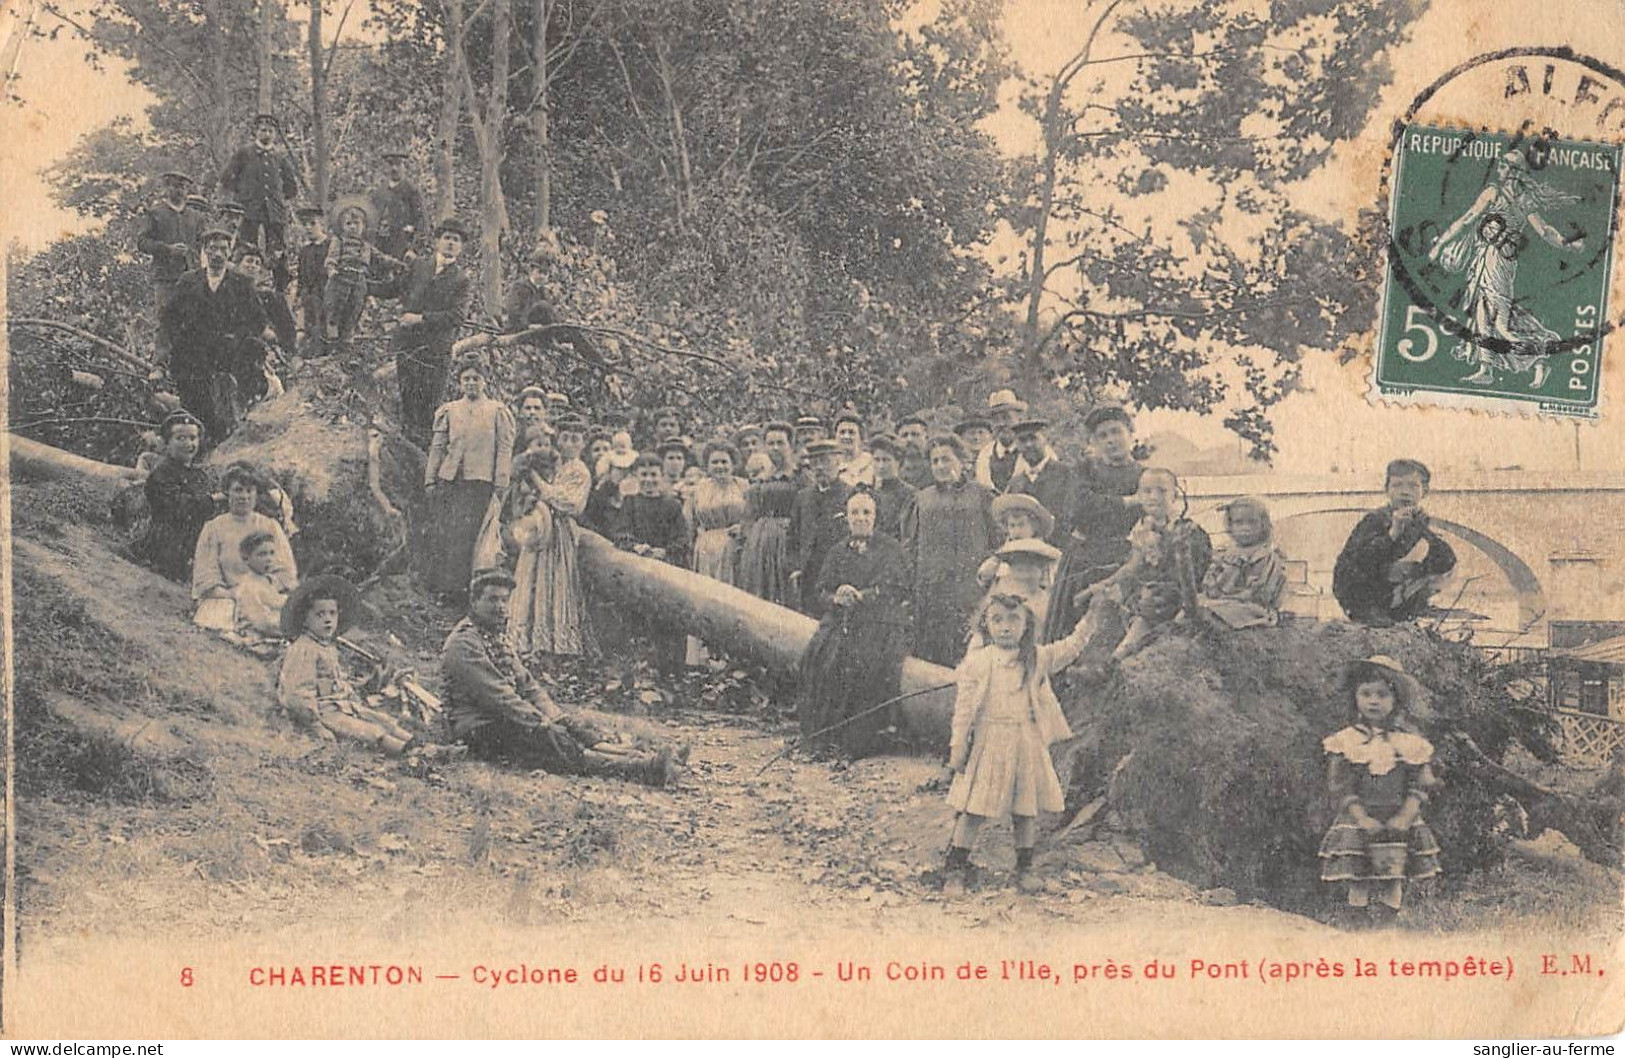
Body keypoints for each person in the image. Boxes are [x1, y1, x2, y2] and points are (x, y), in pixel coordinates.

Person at [442, 569, 677, 785]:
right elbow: (498, 696)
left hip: (505, 718)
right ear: (474, 602)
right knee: (551, 738)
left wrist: (557, 717)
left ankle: (650, 759)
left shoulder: (495, 637)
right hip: (478, 728)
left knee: (570, 728)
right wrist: (541, 721)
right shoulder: (464, 643)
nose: (501, 607)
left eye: (504, 600)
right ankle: (643, 768)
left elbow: (527, 686)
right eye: (492, 599)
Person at [940, 595, 1091, 894]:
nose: (1005, 628)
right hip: (989, 741)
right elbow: (964, 708)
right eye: (997, 620)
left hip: (1025, 742)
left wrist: (1091, 620)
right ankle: (955, 869)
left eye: (1014, 620)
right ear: (986, 624)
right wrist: (958, 746)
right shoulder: (978, 661)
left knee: (1025, 809)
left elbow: (1071, 648)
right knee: (974, 808)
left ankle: (1024, 868)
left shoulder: (1036, 658)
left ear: (1027, 625)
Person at [1427, 149, 1587, 388]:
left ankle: (1541, 352)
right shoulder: (1504, 195)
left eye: (1503, 166)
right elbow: (1469, 218)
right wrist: (1441, 244)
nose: (1499, 169)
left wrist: (1568, 244)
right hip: (1486, 259)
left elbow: (1543, 231)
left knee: (1501, 323)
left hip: (1499, 262)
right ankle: (1486, 368)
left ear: (1513, 172)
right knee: (1484, 314)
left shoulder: (1511, 198)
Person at [1318, 654, 1441, 922]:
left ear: (1396, 700)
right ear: (1356, 698)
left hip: (1397, 818)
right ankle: (1357, 924)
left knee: (1393, 873)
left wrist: (1405, 816)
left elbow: (1420, 783)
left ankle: (1386, 926)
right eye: (1366, 693)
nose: (1374, 701)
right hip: (1360, 817)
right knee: (1358, 877)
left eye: (1382, 694)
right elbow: (1340, 784)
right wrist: (1361, 818)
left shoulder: (1409, 742)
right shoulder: (1346, 741)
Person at [797, 490, 912, 758]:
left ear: (875, 517)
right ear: (846, 518)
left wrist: (864, 596)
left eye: (866, 513)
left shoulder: (890, 548)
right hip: (842, 618)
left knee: (865, 661)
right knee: (819, 655)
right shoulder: (837, 551)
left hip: (880, 619)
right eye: (854, 513)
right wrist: (837, 597)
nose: (860, 518)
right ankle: (824, 734)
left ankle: (859, 740)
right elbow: (821, 589)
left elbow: (897, 587)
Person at [1074, 467, 1211, 662]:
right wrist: (1096, 587)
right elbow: (1132, 567)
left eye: (1161, 491)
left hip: (1177, 594)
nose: (1153, 497)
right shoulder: (1142, 528)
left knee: (1147, 608)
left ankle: (1117, 659)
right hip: (1147, 590)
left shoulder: (1188, 530)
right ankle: (1086, 656)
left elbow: (1194, 577)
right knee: (1105, 603)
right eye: (1146, 491)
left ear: (1175, 495)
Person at [278, 573, 414, 755]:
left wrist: (351, 694)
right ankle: (411, 754)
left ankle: (419, 745)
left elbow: (336, 680)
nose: (328, 619)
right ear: (305, 620)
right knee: (371, 732)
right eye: (320, 614)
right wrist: (315, 725)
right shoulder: (304, 649)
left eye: (332, 613)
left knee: (382, 721)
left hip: (342, 705)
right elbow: (297, 693)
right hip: (323, 712)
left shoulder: (327, 646)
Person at [158, 226, 268, 448]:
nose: (217, 254)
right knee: (195, 402)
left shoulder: (241, 283)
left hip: (229, 354)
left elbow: (257, 321)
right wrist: (167, 353)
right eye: (213, 249)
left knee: (228, 404)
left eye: (223, 249)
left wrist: (237, 337)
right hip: (195, 355)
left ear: (230, 253)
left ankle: (228, 440)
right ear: (204, 251)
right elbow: (169, 318)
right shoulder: (188, 281)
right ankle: (198, 446)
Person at [1042, 405, 1144, 644]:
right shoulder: (1084, 470)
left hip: (1123, 558)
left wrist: (1102, 505)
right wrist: (1127, 501)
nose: (1111, 440)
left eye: (1116, 432)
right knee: (1070, 631)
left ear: (1130, 433)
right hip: (1083, 559)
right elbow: (1078, 509)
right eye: (1102, 436)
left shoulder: (1144, 475)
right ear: (1094, 442)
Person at [375, 217, 472, 449]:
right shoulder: (419, 266)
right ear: (437, 241)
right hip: (409, 346)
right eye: (446, 238)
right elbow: (395, 289)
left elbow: (457, 316)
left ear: (461, 247)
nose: (450, 243)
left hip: (436, 351)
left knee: (429, 408)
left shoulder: (461, 279)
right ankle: (407, 454)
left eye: (455, 240)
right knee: (408, 401)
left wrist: (420, 318)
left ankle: (425, 462)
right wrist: (362, 281)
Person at [902, 435, 998, 667]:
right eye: (935, 461)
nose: (941, 466)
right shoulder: (921, 500)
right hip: (932, 597)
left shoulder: (982, 495)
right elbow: (910, 549)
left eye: (946, 459)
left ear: (963, 461)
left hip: (972, 594)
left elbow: (1000, 542)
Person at [1333, 459, 1458, 627]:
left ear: (1425, 491)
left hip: (1389, 593)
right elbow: (1360, 561)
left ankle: (1406, 611)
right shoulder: (1375, 519)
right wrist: (1393, 533)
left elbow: (1446, 562)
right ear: (1387, 490)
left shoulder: (1418, 521)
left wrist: (1424, 534)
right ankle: (1372, 614)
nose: (1404, 492)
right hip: (1359, 594)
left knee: (1438, 563)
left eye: (1413, 486)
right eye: (1397, 486)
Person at [504, 439, 591, 659]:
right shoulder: (552, 464)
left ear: (582, 443)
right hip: (539, 526)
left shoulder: (579, 470)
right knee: (531, 575)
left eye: (576, 436)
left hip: (560, 532)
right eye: (566, 436)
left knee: (555, 579)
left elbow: (570, 503)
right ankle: (527, 639)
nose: (571, 442)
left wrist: (536, 480)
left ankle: (557, 644)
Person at [618, 453, 691, 672]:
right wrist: (636, 546)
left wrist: (666, 551)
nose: (648, 480)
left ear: (661, 476)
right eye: (644, 475)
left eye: (653, 475)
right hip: (639, 567)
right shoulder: (630, 503)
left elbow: (682, 538)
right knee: (640, 617)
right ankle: (642, 667)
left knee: (668, 618)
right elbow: (620, 532)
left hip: (666, 566)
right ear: (636, 476)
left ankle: (671, 668)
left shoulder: (672, 505)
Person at [193, 463, 298, 610]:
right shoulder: (213, 528)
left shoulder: (270, 526)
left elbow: (286, 572)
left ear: (256, 494)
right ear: (227, 493)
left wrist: (261, 590)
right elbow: (206, 575)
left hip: (265, 596)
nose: (244, 496)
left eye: (249, 491)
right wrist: (232, 594)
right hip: (227, 598)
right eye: (238, 490)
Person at [685, 441, 749, 666]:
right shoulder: (698, 490)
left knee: (731, 599)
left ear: (733, 464)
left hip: (734, 549)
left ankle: (732, 657)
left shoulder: (743, 486)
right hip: (705, 551)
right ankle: (704, 658)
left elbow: (752, 517)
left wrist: (744, 528)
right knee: (706, 600)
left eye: (725, 461)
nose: (720, 466)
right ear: (707, 465)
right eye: (715, 462)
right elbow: (689, 523)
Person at [135, 411, 217, 582]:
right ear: (167, 443)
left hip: (194, 541)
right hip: (167, 543)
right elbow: (179, 508)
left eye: (193, 438)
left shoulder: (200, 475)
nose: (188, 444)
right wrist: (214, 501)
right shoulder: (161, 474)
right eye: (181, 438)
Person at [219, 114, 300, 287]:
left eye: (271, 131)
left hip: (274, 212)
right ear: (255, 132)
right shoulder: (244, 153)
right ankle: (242, 286)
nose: (267, 134)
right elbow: (227, 178)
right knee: (246, 248)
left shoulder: (279, 157)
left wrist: (278, 199)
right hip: (249, 210)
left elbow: (291, 186)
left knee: (278, 252)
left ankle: (280, 290)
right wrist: (243, 193)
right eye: (263, 130)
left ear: (275, 134)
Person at [1199, 496, 1288, 630]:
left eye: (1252, 522)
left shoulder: (1265, 556)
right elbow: (1210, 581)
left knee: (1228, 613)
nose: (1245, 528)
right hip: (1221, 601)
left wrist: (1232, 598)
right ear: (1230, 525)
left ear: (1262, 525)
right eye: (1239, 523)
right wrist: (1213, 590)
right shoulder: (1224, 554)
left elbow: (1261, 592)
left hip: (1250, 607)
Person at [137, 171, 198, 362]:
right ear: (166, 188)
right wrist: (167, 249)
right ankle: (160, 364)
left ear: (187, 190)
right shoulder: (156, 213)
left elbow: (203, 243)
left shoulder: (194, 216)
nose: (178, 190)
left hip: (190, 275)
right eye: (173, 186)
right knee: (165, 318)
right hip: (165, 276)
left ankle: (187, 362)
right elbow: (142, 242)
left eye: (182, 187)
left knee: (191, 319)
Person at [788, 439, 852, 615]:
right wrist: (795, 568)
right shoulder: (803, 497)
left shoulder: (850, 495)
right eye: (815, 462)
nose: (819, 468)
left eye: (825, 461)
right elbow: (792, 539)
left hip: (838, 576)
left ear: (838, 462)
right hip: (809, 575)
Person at [739, 443, 798, 608]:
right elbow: (750, 512)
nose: (775, 448)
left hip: (786, 533)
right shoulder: (761, 480)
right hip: (760, 537)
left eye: (780, 443)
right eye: (770, 443)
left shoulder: (797, 474)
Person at [322, 198, 380, 352]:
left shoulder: (366, 246)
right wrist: (332, 269)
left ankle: (347, 344)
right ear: (342, 226)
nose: (353, 227)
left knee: (354, 310)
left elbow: (380, 258)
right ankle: (332, 344)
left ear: (364, 227)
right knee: (335, 311)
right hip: (340, 279)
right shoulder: (338, 241)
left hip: (359, 281)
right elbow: (331, 258)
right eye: (348, 224)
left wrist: (396, 264)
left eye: (357, 224)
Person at [1005, 419, 1073, 543]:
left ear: (1045, 439)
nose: (1028, 444)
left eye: (1033, 438)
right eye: (1022, 440)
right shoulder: (1014, 484)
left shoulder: (1066, 473)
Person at [369, 149, 427, 261]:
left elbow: (422, 222)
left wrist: (414, 249)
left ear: (404, 167)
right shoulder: (378, 192)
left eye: (398, 164)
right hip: (380, 246)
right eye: (390, 164)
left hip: (403, 247)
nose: (394, 168)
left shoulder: (412, 191)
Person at [233, 530, 290, 639]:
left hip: (273, 627)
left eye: (272, 553)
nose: (269, 559)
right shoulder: (249, 587)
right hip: (255, 634)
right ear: (246, 558)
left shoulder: (270, 579)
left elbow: (276, 601)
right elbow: (261, 622)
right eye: (262, 554)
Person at [292, 204, 331, 357]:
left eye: (312, 223)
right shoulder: (304, 250)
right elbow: (301, 275)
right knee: (309, 323)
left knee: (324, 325)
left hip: (326, 293)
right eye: (305, 224)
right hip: (309, 295)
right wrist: (300, 295)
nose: (308, 228)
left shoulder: (331, 246)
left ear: (321, 224)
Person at [974, 390, 1028, 492]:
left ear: (1019, 419)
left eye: (1006, 417)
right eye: (996, 420)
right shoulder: (985, 455)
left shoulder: (1031, 448)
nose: (1001, 424)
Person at [867, 435, 916, 542]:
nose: (881, 466)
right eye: (877, 460)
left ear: (898, 462)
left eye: (886, 460)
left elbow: (908, 534)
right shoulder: (868, 492)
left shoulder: (909, 494)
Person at [832, 413, 875, 489]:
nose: (846, 436)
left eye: (851, 432)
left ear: (861, 438)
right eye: (842, 432)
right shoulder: (831, 466)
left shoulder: (872, 464)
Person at [895, 415, 934, 490]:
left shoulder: (935, 470)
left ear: (926, 438)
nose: (909, 439)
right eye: (904, 435)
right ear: (897, 441)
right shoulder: (894, 472)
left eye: (915, 434)